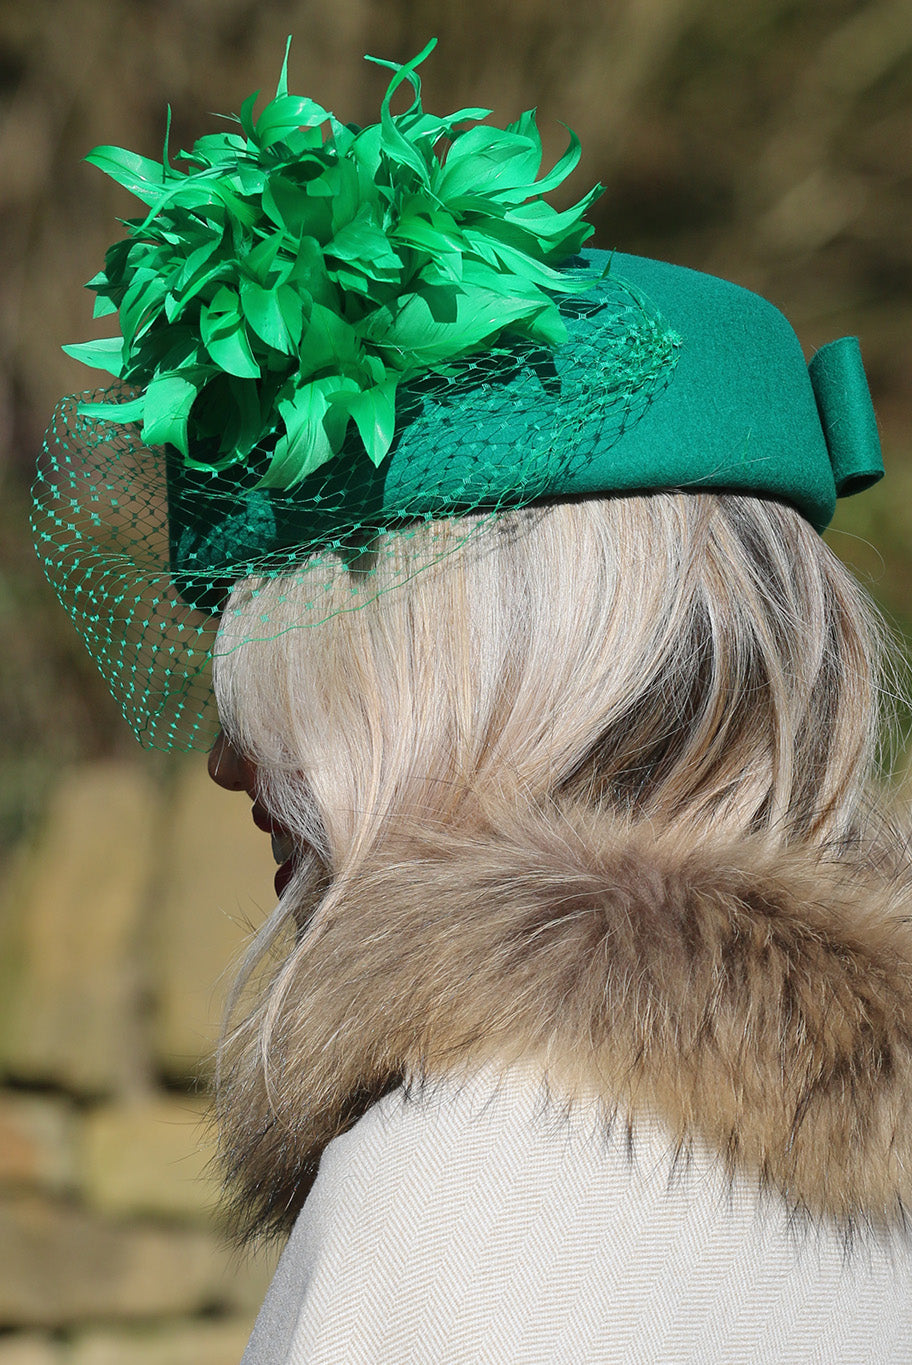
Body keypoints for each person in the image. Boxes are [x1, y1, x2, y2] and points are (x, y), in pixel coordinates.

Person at [33, 39, 912, 1364]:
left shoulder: (466, 1188)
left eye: (301, 681)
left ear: (491, 685)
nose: (227, 760)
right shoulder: (860, 1178)